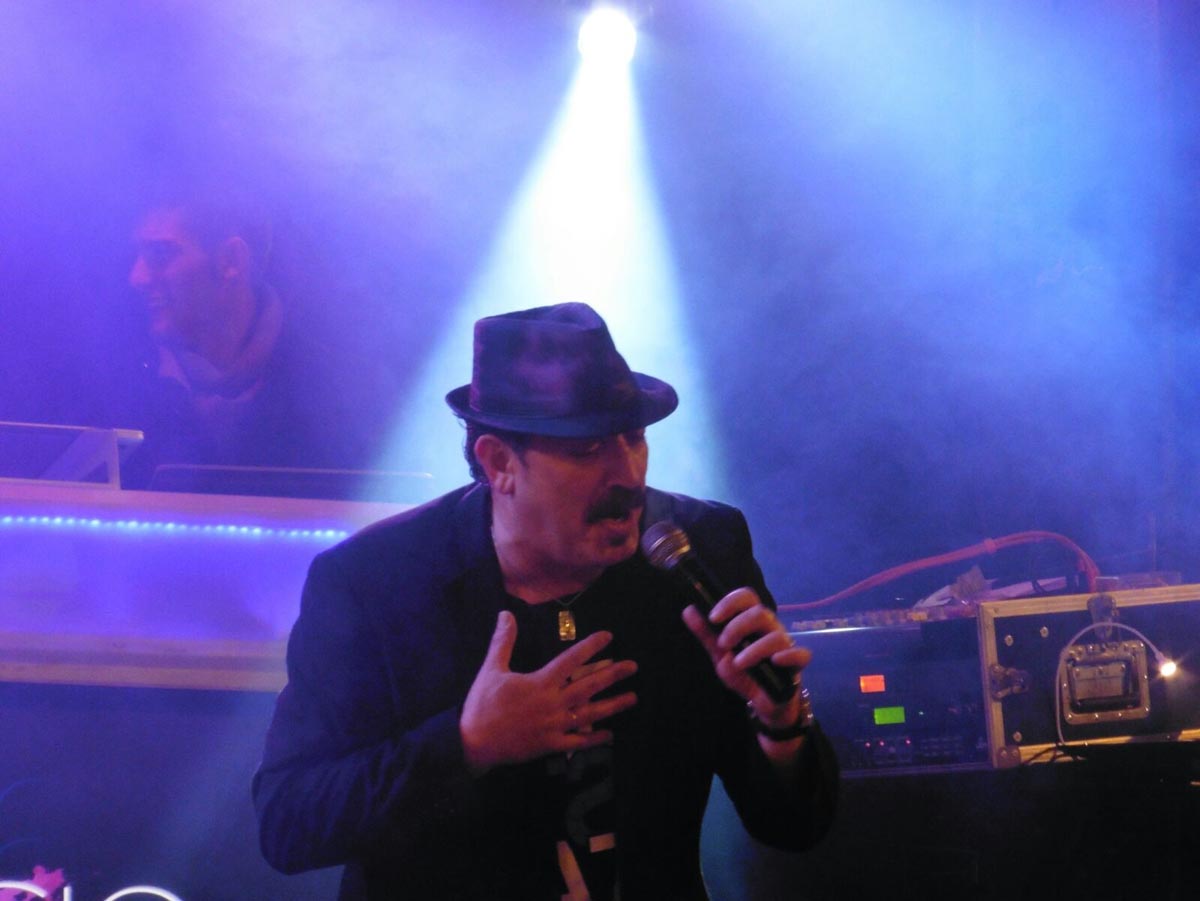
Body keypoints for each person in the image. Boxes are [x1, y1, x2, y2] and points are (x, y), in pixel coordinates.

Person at [253, 302, 838, 899]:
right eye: (587, 449)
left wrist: (781, 723)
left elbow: (794, 826)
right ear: (499, 463)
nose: (628, 474)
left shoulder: (702, 549)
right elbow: (288, 821)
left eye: (634, 437)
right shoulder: (375, 581)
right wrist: (468, 745)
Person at [118, 197, 388, 486]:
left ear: (231, 260)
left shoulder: (341, 390)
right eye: (138, 256)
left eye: (159, 254)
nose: (137, 277)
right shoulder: (118, 381)